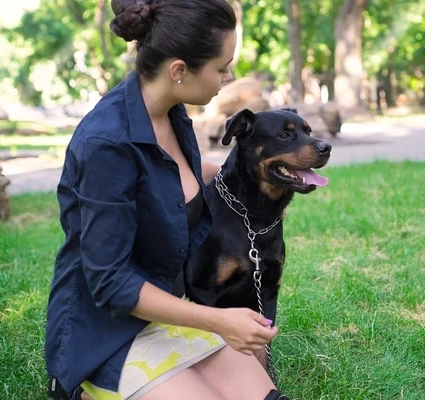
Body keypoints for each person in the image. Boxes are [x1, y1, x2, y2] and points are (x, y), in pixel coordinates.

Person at [44, 1, 288, 399]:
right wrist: (217, 321)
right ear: (179, 71)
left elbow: (182, 175)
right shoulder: (106, 144)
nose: (229, 77)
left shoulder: (171, 113)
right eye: (221, 66)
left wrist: (264, 176)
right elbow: (111, 283)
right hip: (105, 334)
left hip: (167, 317)